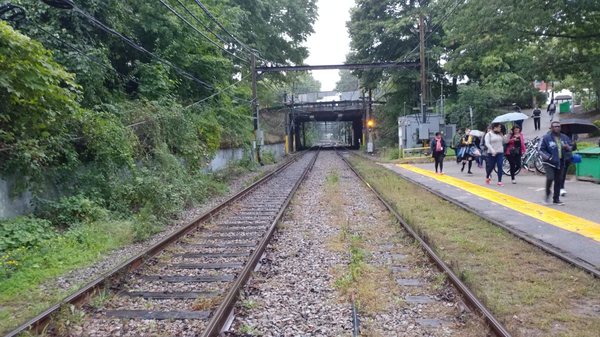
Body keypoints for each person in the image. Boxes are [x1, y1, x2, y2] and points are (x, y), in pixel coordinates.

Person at [539, 121, 571, 205]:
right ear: (551, 128)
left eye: (558, 126)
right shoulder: (546, 137)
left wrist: (568, 148)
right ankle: (547, 194)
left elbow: (570, 147)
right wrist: (549, 157)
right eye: (555, 126)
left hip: (560, 162)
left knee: (558, 180)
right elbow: (540, 149)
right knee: (550, 178)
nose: (557, 128)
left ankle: (556, 199)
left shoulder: (564, 137)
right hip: (549, 162)